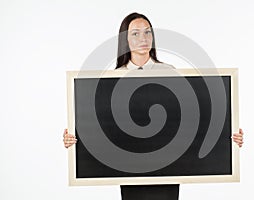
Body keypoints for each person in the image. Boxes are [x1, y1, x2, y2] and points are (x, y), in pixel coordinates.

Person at [63, 12, 244, 200]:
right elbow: (99, 125)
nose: (143, 38)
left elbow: (197, 118)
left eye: (147, 32)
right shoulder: (112, 80)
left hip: (168, 170)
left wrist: (229, 136)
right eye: (135, 33)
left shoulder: (171, 74)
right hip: (129, 172)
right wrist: (74, 138)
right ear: (124, 39)